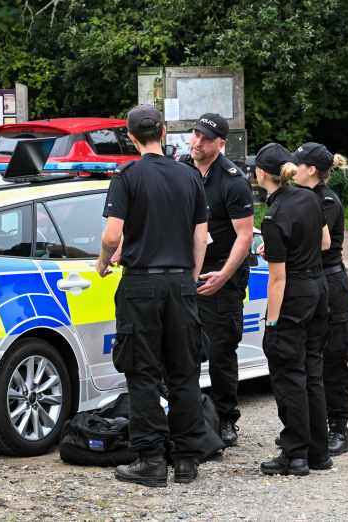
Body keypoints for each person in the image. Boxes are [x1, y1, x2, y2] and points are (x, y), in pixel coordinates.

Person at [96, 104, 223, 488]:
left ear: (130, 135)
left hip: (142, 285)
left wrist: (104, 262)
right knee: (184, 372)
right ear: (164, 131)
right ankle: (186, 459)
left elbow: (111, 236)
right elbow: (200, 237)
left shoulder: (128, 176)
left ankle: (150, 459)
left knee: (143, 373)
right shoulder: (188, 177)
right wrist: (191, 275)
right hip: (181, 284)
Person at [254, 142, 333, 476]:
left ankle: (294, 453)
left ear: (262, 174)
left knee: (288, 374)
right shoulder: (309, 198)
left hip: (294, 295)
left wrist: (271, 324)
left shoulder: (273, 217)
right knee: (312, 374)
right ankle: (319, 451)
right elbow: (324, 242)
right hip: (319, 289)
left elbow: (277, 279)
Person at [182, 113, 254, 446]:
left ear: (220, 143)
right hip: (186, 271)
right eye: (195, 135)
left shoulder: (232, 180)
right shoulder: (182, 169)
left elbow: (244, 236)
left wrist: (224, 276)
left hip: (220, 273)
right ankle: (186, 414)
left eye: (205, 138)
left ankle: (227, 419)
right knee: (182, 348)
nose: (196, 142)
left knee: (222, 349)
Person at [293, 142, 348, 456]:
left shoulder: (326, 201)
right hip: (311, 280)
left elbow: (318, 243)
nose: (293, 170)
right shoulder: (302, 198)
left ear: (312, 170)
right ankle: (311, 427)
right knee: (309, 357)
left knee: (333, 358)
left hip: (331, 283)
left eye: (298, 164)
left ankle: (339, 427)